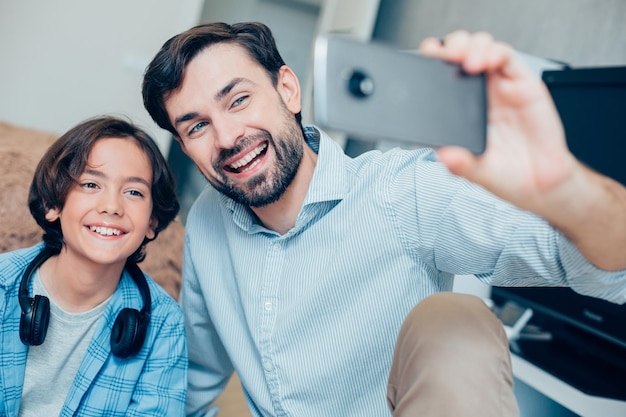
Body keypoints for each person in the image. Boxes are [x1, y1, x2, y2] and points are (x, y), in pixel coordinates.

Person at [141, 22, 626, 417]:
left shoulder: (402, 191)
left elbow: (599, 267)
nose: (226, 136)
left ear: (287, 89)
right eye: (197, 126)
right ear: (184, 147)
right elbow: (191, 381)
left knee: (455, 321)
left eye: (238, 99)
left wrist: (565, 188)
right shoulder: (206, 221)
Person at [0, 116, 187, 416]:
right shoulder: (3, 284)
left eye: (134, 192)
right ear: (53, 204)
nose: (111, 206)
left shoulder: (164, 324)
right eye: (90, 184)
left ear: (152, 222)